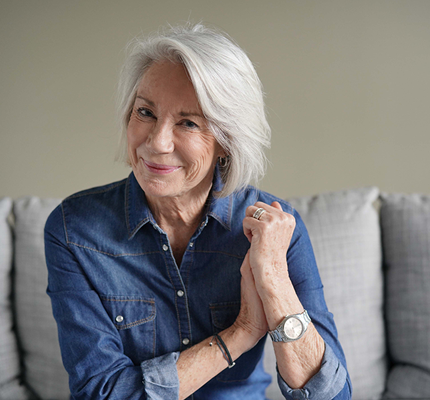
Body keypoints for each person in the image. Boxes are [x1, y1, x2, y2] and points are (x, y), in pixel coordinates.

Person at [44, 23, 351, 400]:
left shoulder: (276, 228)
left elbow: (330, 396)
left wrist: (271, 277)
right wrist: (241, 333)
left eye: (188, 122)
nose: (157, 142)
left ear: (226, 141)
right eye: (145, 112)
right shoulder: (74, 230)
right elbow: (102, 394)